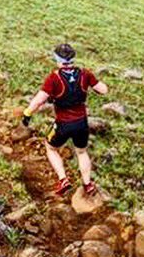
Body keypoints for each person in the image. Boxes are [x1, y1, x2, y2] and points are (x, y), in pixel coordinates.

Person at [21, 43, 108, 199]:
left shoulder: (54, 78)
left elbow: (39, 100)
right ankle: (87, 184)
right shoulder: (84, 73)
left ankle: (63, 179)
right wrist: (92, 82)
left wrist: (27, 113)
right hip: (82, 122)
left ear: (57, 59)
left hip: (63, 124)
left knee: (50, 147)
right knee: (81, 152)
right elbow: (103, 90)